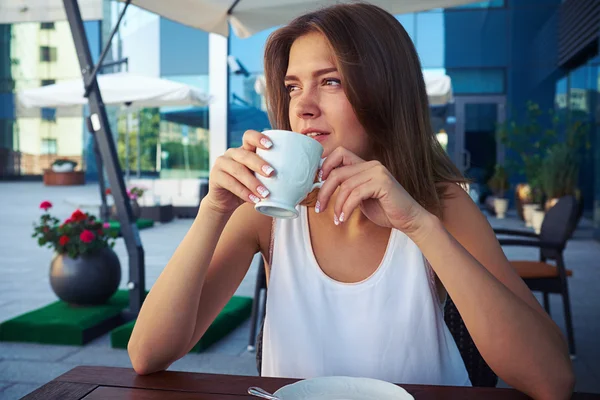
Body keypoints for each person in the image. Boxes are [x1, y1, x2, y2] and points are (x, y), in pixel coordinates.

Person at [128, 3, 574, 398]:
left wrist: (418, 225)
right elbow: (148, 354)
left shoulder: (439, 205)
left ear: (384, 92)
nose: (302, 107)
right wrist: (213, 209)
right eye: (292, 86)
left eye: (331, 81)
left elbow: (551, 381)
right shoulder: (268, 215)